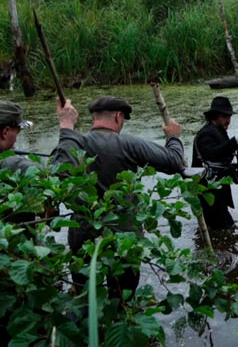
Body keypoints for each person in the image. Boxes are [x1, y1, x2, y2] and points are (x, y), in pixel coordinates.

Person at [52, 95, 184, 295]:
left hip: (82, 235)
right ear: (118, 117)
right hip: (124, 237)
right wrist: (173, 137)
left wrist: (67, 129)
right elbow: (174, 162)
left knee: (84, 295)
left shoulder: (72, 144)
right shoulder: (128, 143)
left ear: (94, 117)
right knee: (123, 296)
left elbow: (57, 175)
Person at [0, 99, 78, 223]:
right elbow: (61, 177)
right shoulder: (14, 165)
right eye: (18, 131)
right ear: (5, 132)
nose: (16, 139)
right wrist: (67, 127)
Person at [191, 96, 238, 230]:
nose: (228, 120)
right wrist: (237, 140)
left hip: (217, 191)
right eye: (224, 116)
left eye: (229, 116)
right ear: (215, 116)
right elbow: (215, 153)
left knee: (223, 228)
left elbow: (225, 164)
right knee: (224, 228)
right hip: (207, 193)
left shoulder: (219, 132)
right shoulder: (205, 135)